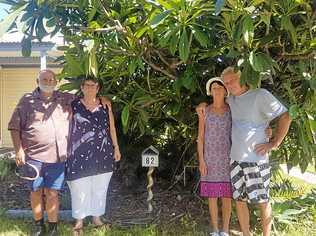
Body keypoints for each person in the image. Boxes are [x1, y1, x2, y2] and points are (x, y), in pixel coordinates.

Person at [8, 69, 111, 236]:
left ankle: (53, 227)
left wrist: (101, 99)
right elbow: (14, 127)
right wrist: (18, 150)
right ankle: (39, 225)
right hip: (33, 157)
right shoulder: (26, 100)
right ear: (37, 81)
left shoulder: (66, 98)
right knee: (35, 192)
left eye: (51, 79)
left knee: (52, 193)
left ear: (56, 82)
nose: (48, 82)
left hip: (58, 156)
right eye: (45, 79)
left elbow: (88, 98)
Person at [197, 67, 291, 236]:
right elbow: (211, 105)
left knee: (262, 201)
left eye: (231, 80)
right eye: (226, 83)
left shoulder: (260, 94)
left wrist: (275, 142)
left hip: (256, 161)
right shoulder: (231, 100)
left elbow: (285, 116)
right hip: (235, 160)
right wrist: (202, 105)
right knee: (240, 201)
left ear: (242, 78)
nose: (229, 85)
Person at [65, 77, 121, 235]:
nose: (90, 88)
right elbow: (67, 127)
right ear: (82, 87)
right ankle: (79, 220)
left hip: (103, 152)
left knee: (100, 186)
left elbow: (112, 129)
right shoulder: (73, 104)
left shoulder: (105, 105)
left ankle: (96, 218)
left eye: (94, 86)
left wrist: (116, 147)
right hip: (77, 152)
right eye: (87, 85)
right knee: (78, 186)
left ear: (98, 88)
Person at [197, 77, 232, 236]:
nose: (216, 90)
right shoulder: (205, 111)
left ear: (225, 90)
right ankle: (215, 230)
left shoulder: (232, 109)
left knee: (226, 195)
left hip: (228, 158)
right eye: (214, 88)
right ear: (210, 92)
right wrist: (201, 160)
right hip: (210, 159)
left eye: (219, 87)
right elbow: (201, 137)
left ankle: (225, 230)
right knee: (212, 195)